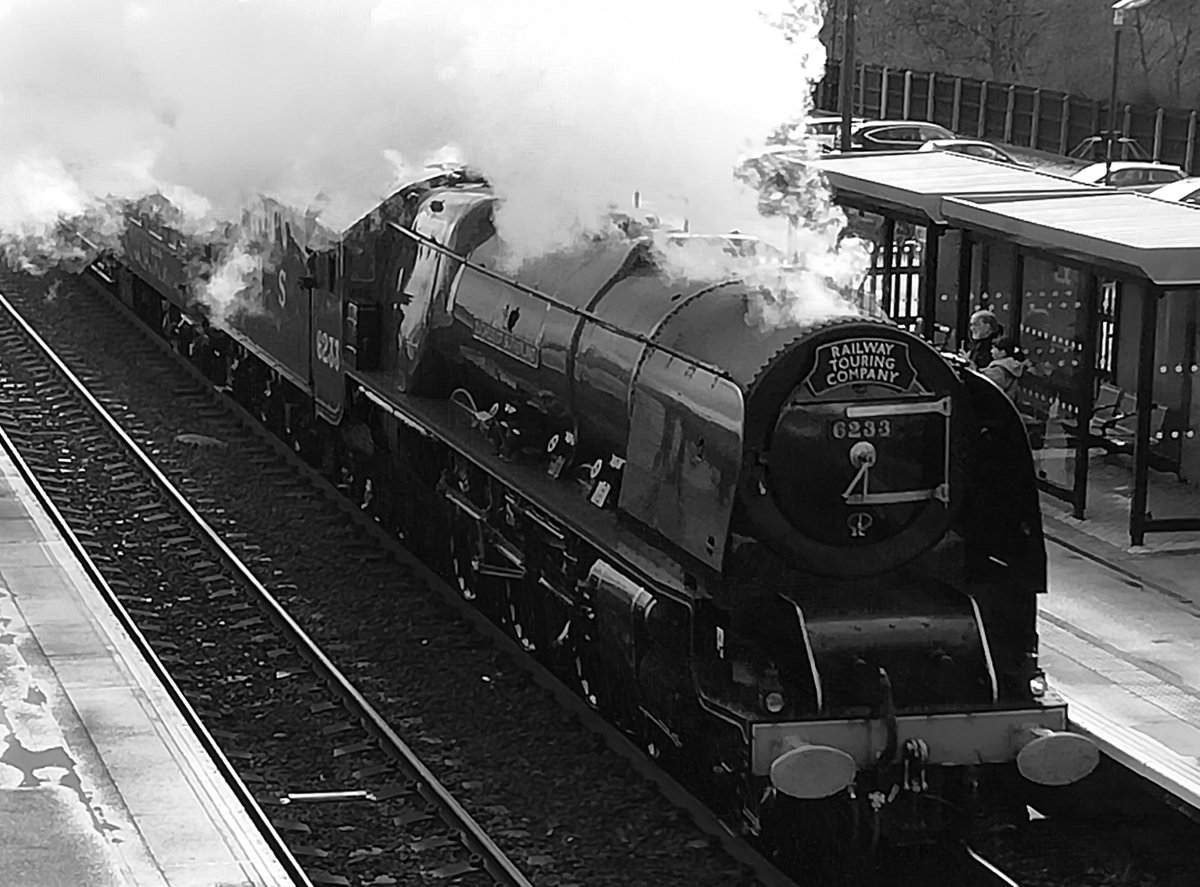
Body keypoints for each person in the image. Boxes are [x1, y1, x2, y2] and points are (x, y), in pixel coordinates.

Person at [982, 336, 1029, 401]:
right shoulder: (1011, 367)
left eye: (994, 348)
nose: (991, 351)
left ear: (1003, 352)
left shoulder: (999, 370)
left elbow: (984, 381)